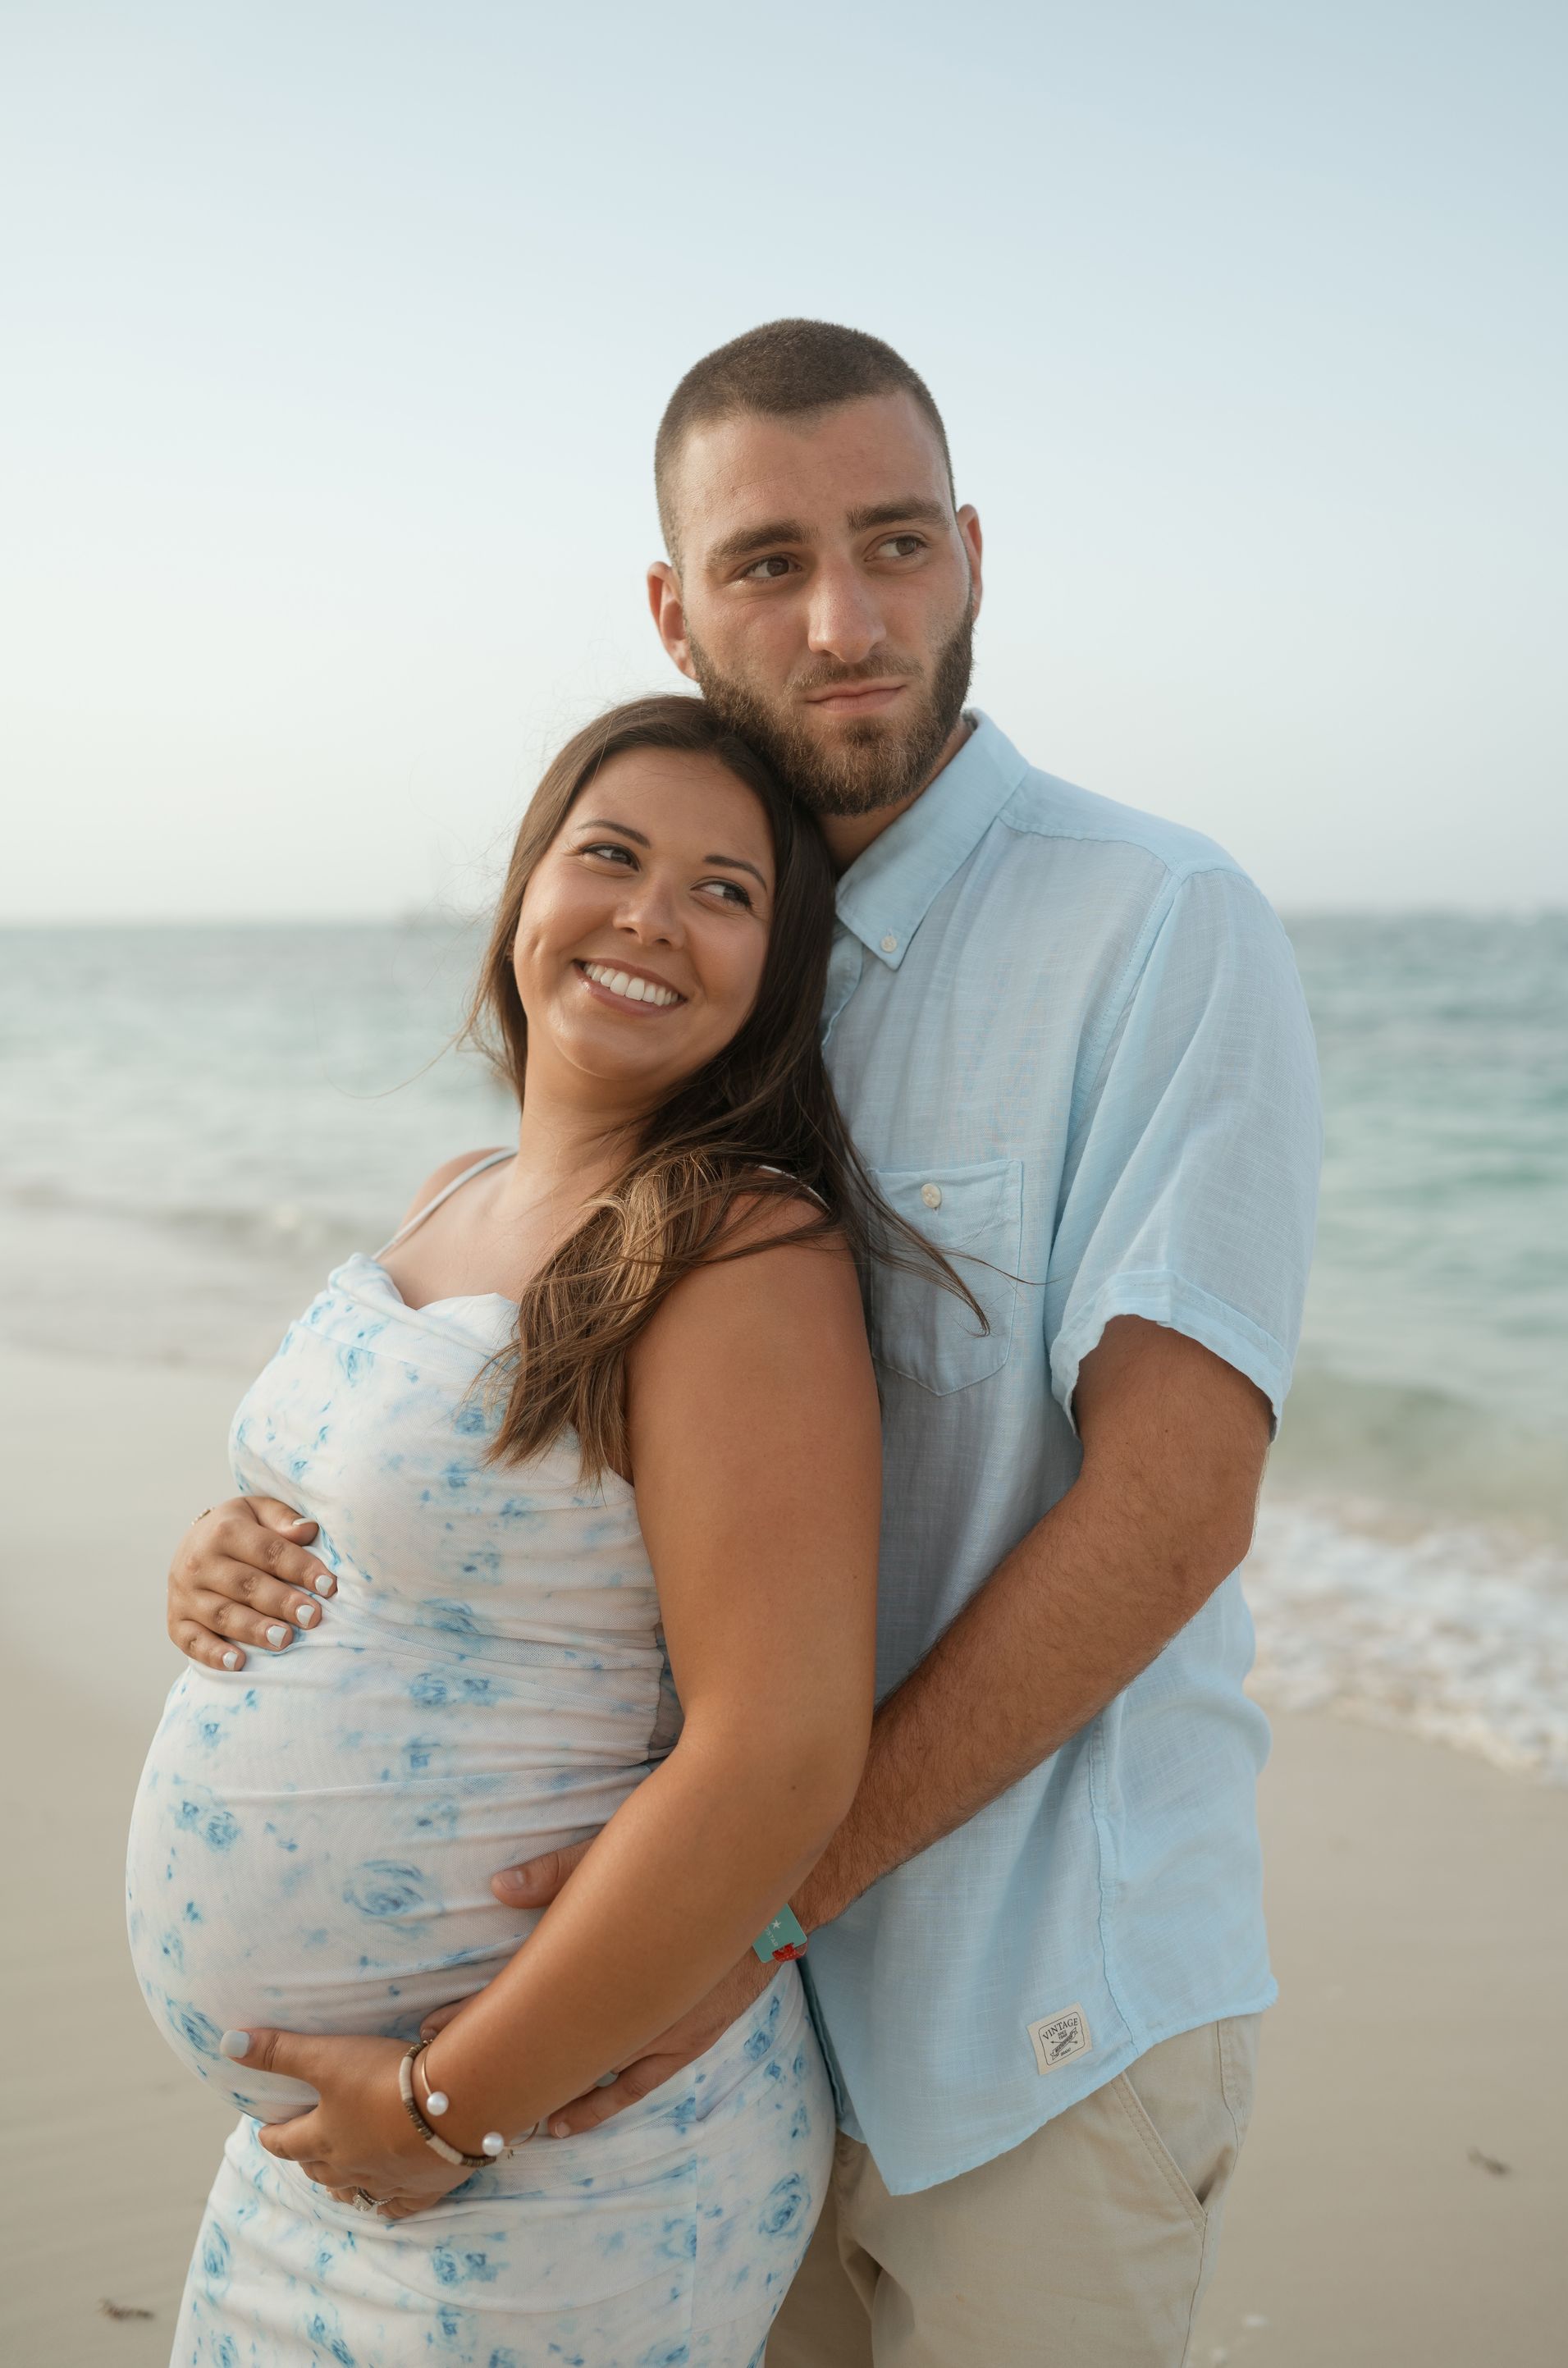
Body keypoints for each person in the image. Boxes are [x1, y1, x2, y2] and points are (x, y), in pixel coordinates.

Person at [167, 321, 1323, 2366]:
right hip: (686, 2059)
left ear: (972, 555)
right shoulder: (696, 979)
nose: (847, 619)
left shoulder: (1154, 925)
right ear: (673, 606)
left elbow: (1177, 1500)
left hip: (1021, 2011)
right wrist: (266, 1557)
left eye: (894, 545)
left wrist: (768, 1902)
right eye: (769, 563)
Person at [126, 694, 940, 2366]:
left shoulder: (737, 1253)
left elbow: (779, 1751)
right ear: (525, 891)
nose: (650, 915)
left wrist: (448, 2108)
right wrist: (216, 1555)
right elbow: (379, 1524)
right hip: (319, 2158)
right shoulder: (452, 1189)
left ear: (775, 973)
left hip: (546, 2163)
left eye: (724, 892)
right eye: (613, 855)